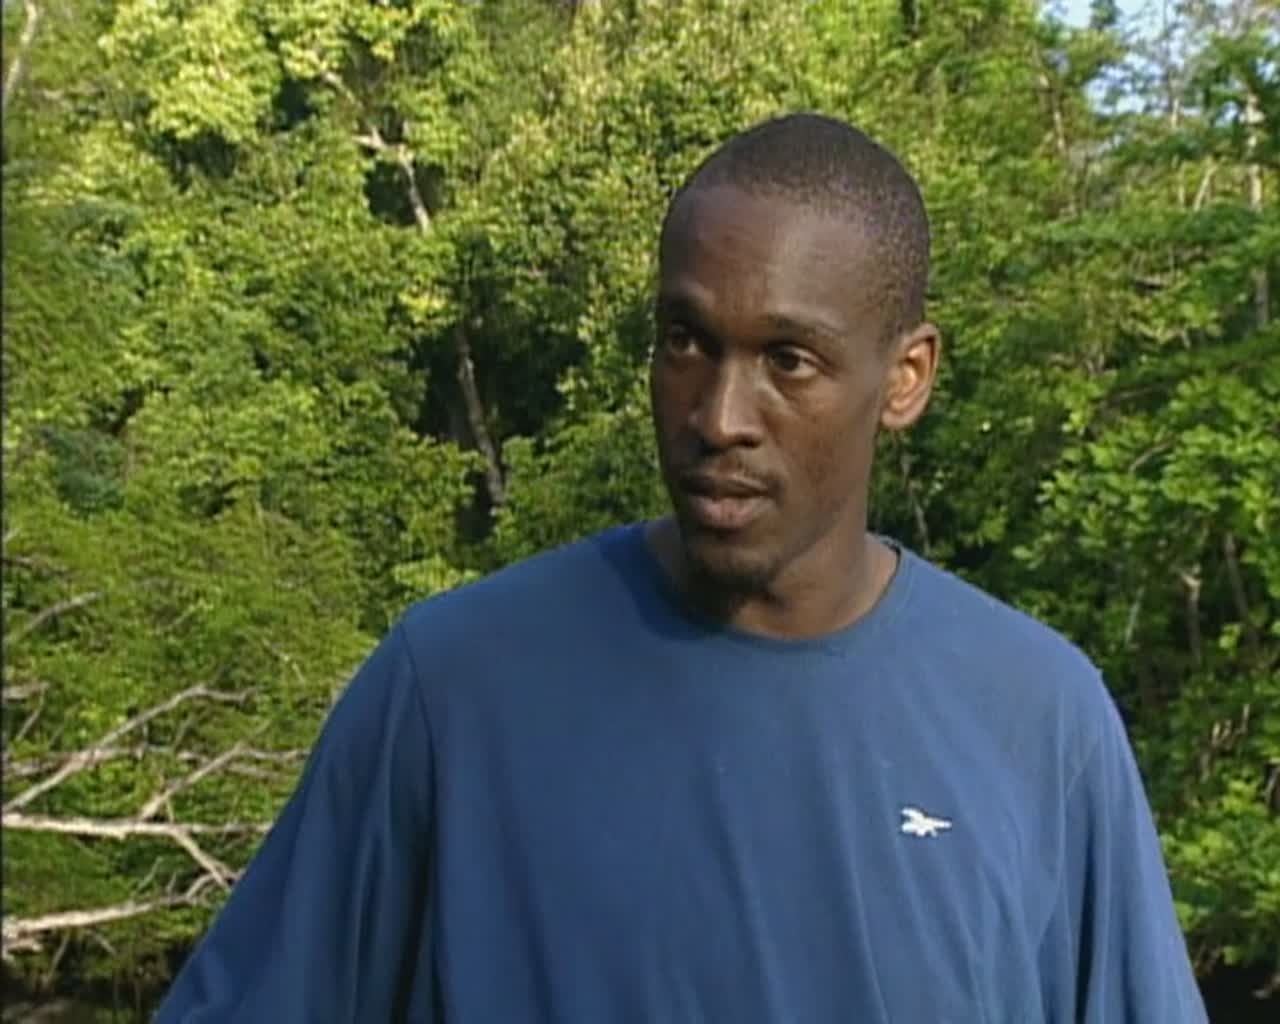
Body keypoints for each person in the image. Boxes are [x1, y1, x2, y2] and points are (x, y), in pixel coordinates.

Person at [155, 113, 1207, 1023]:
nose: (719, 416)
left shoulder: (1040, 722)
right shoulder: (453, 688)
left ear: (905, 378)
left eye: (787, 360)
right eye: (685, 341)